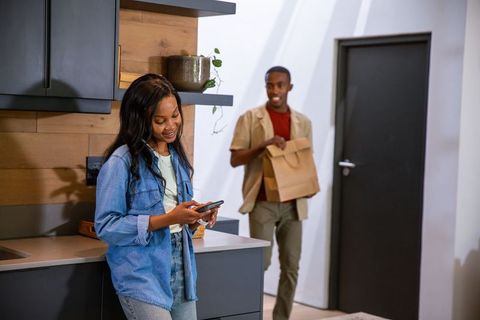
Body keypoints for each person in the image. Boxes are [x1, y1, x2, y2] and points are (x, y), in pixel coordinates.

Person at [95, 73, 219, 320]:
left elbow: (177, 222)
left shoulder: (178, 159)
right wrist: (167, 218)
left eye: (174, 115)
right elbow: (106, 227)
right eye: (160, 120)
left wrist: (195, 218)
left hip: (182, 269)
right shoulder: (121, 161)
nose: (171, 125)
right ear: (140, 120)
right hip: (141, 274)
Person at [229, 66, 314, 320]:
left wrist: (307, 185)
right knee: (261, 264)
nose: (274, 90)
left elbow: (305, 160)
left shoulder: (303, 122)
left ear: (290, 87)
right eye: (270, 85)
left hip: (294, 204)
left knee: (291, 267)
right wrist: (263, 145)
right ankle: (250, 315)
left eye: (280, 85)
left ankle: (281, 318)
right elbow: (235, 159)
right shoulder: (250, 118)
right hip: (263, 202)